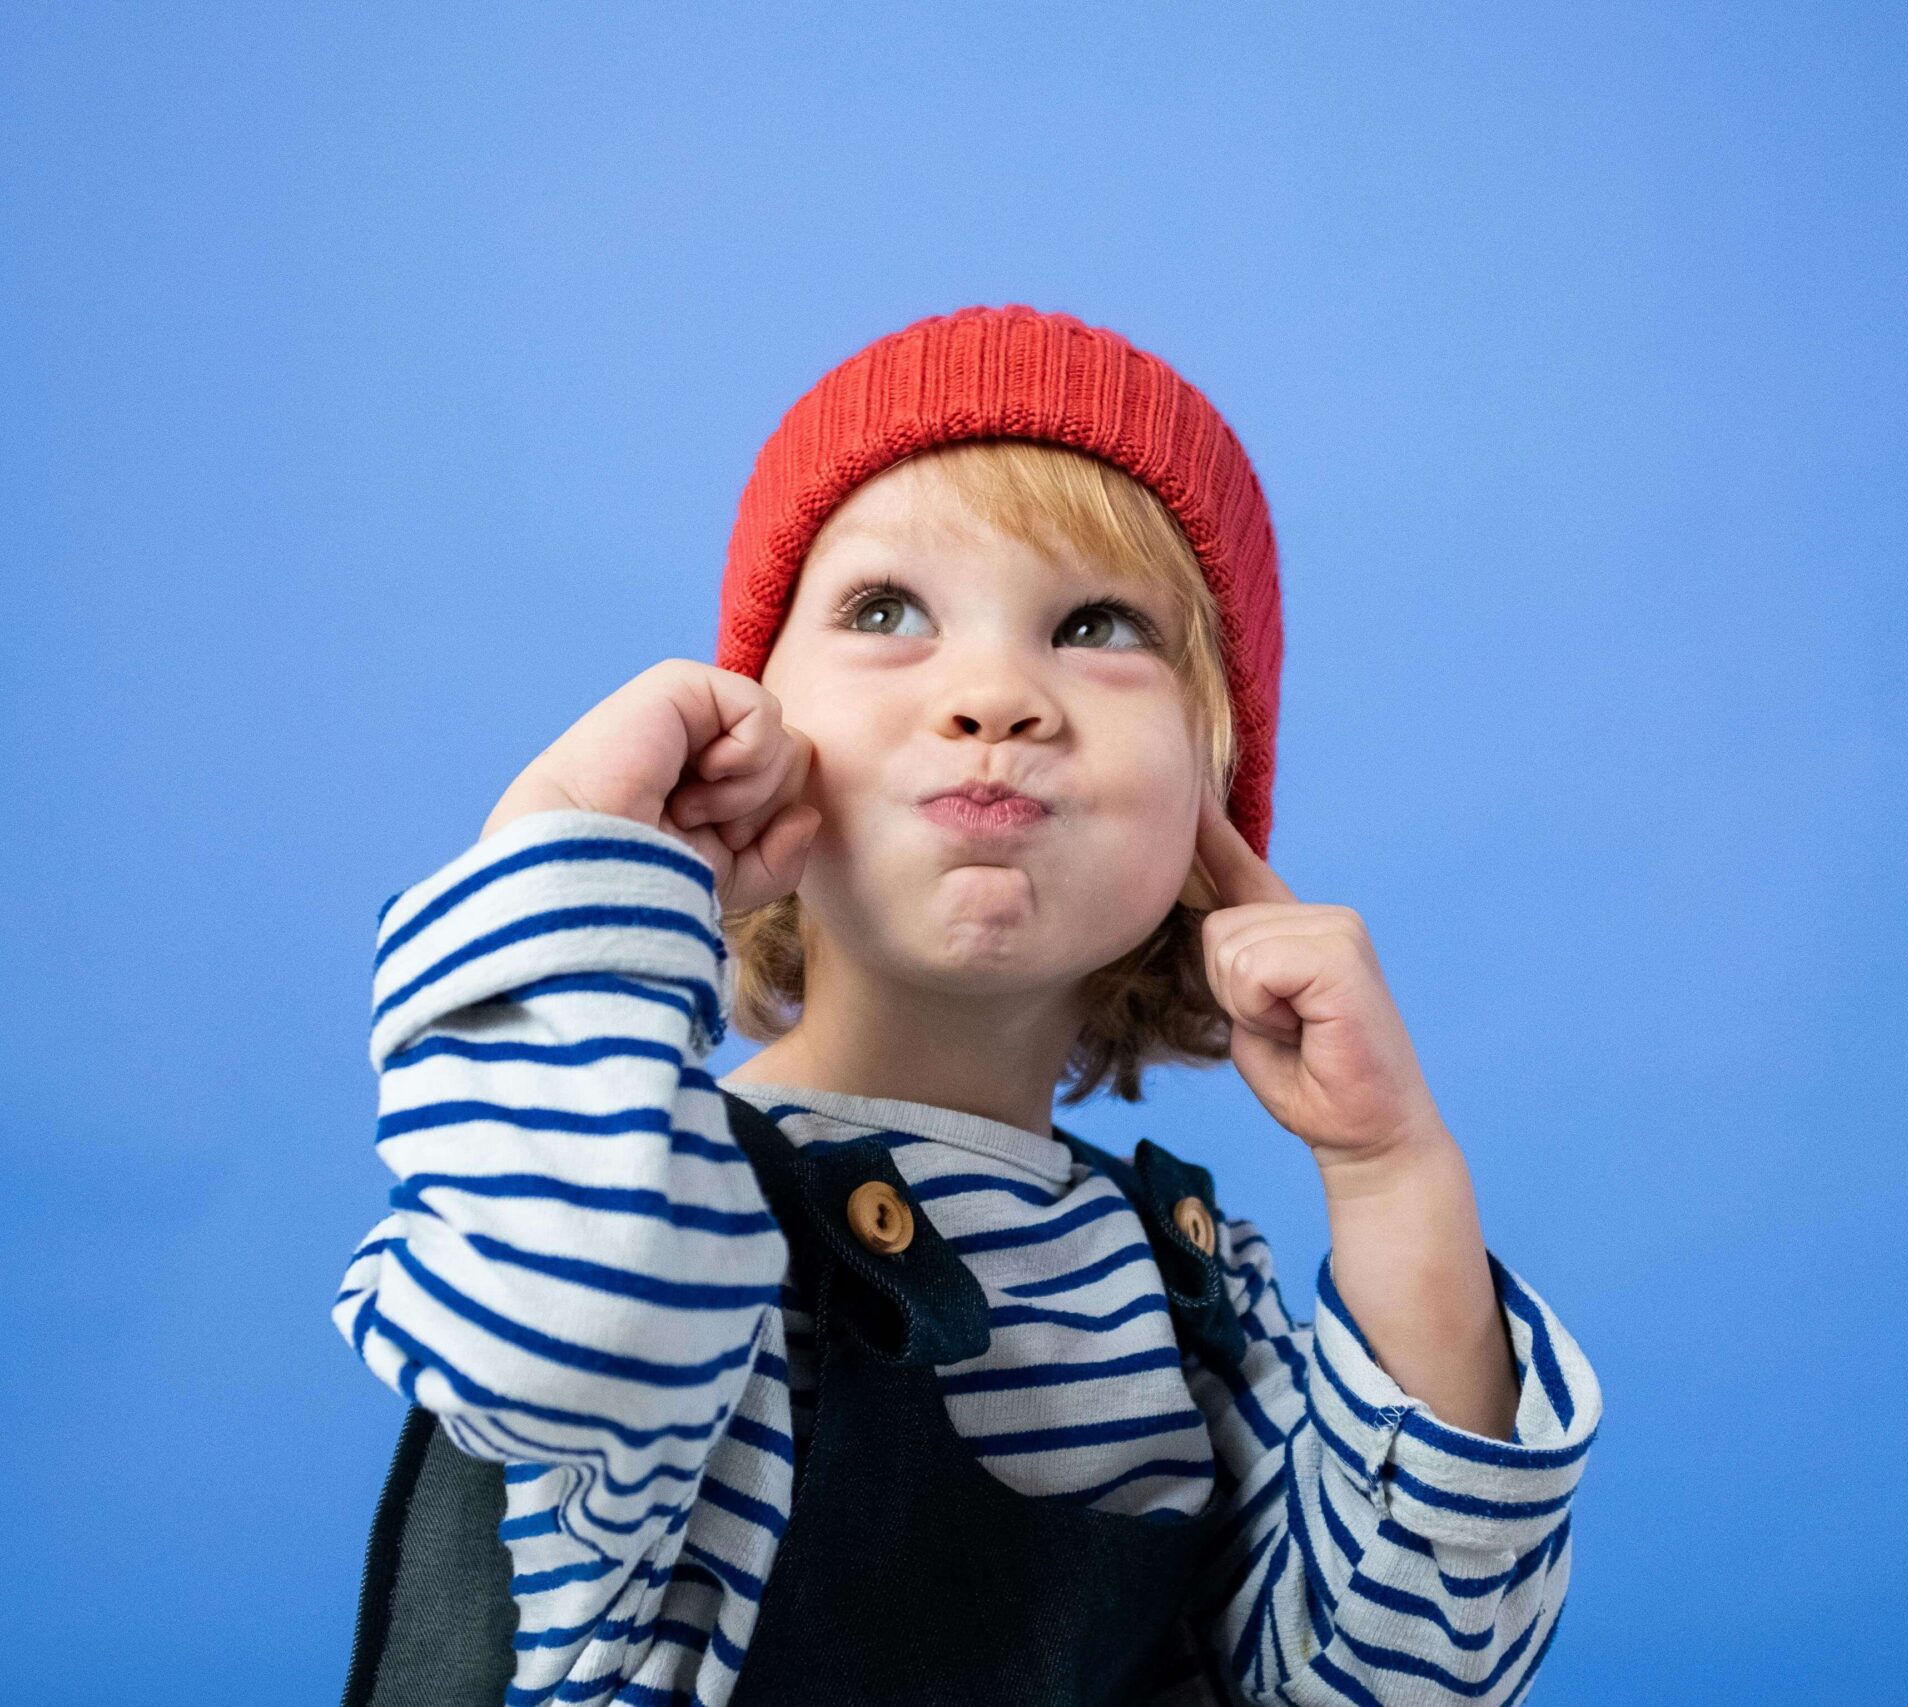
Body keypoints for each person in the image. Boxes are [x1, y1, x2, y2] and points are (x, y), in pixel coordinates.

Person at [333, 304, 1601, 1706]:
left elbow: (1399, 1679)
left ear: (1210, 802)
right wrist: (573, 848)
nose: (995, 693)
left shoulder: (1187, 1293)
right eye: (887, 612)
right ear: (746, 732)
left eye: (1097, 626)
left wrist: (1389, 1176)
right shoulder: (659, 1191)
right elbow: (571, 1325)